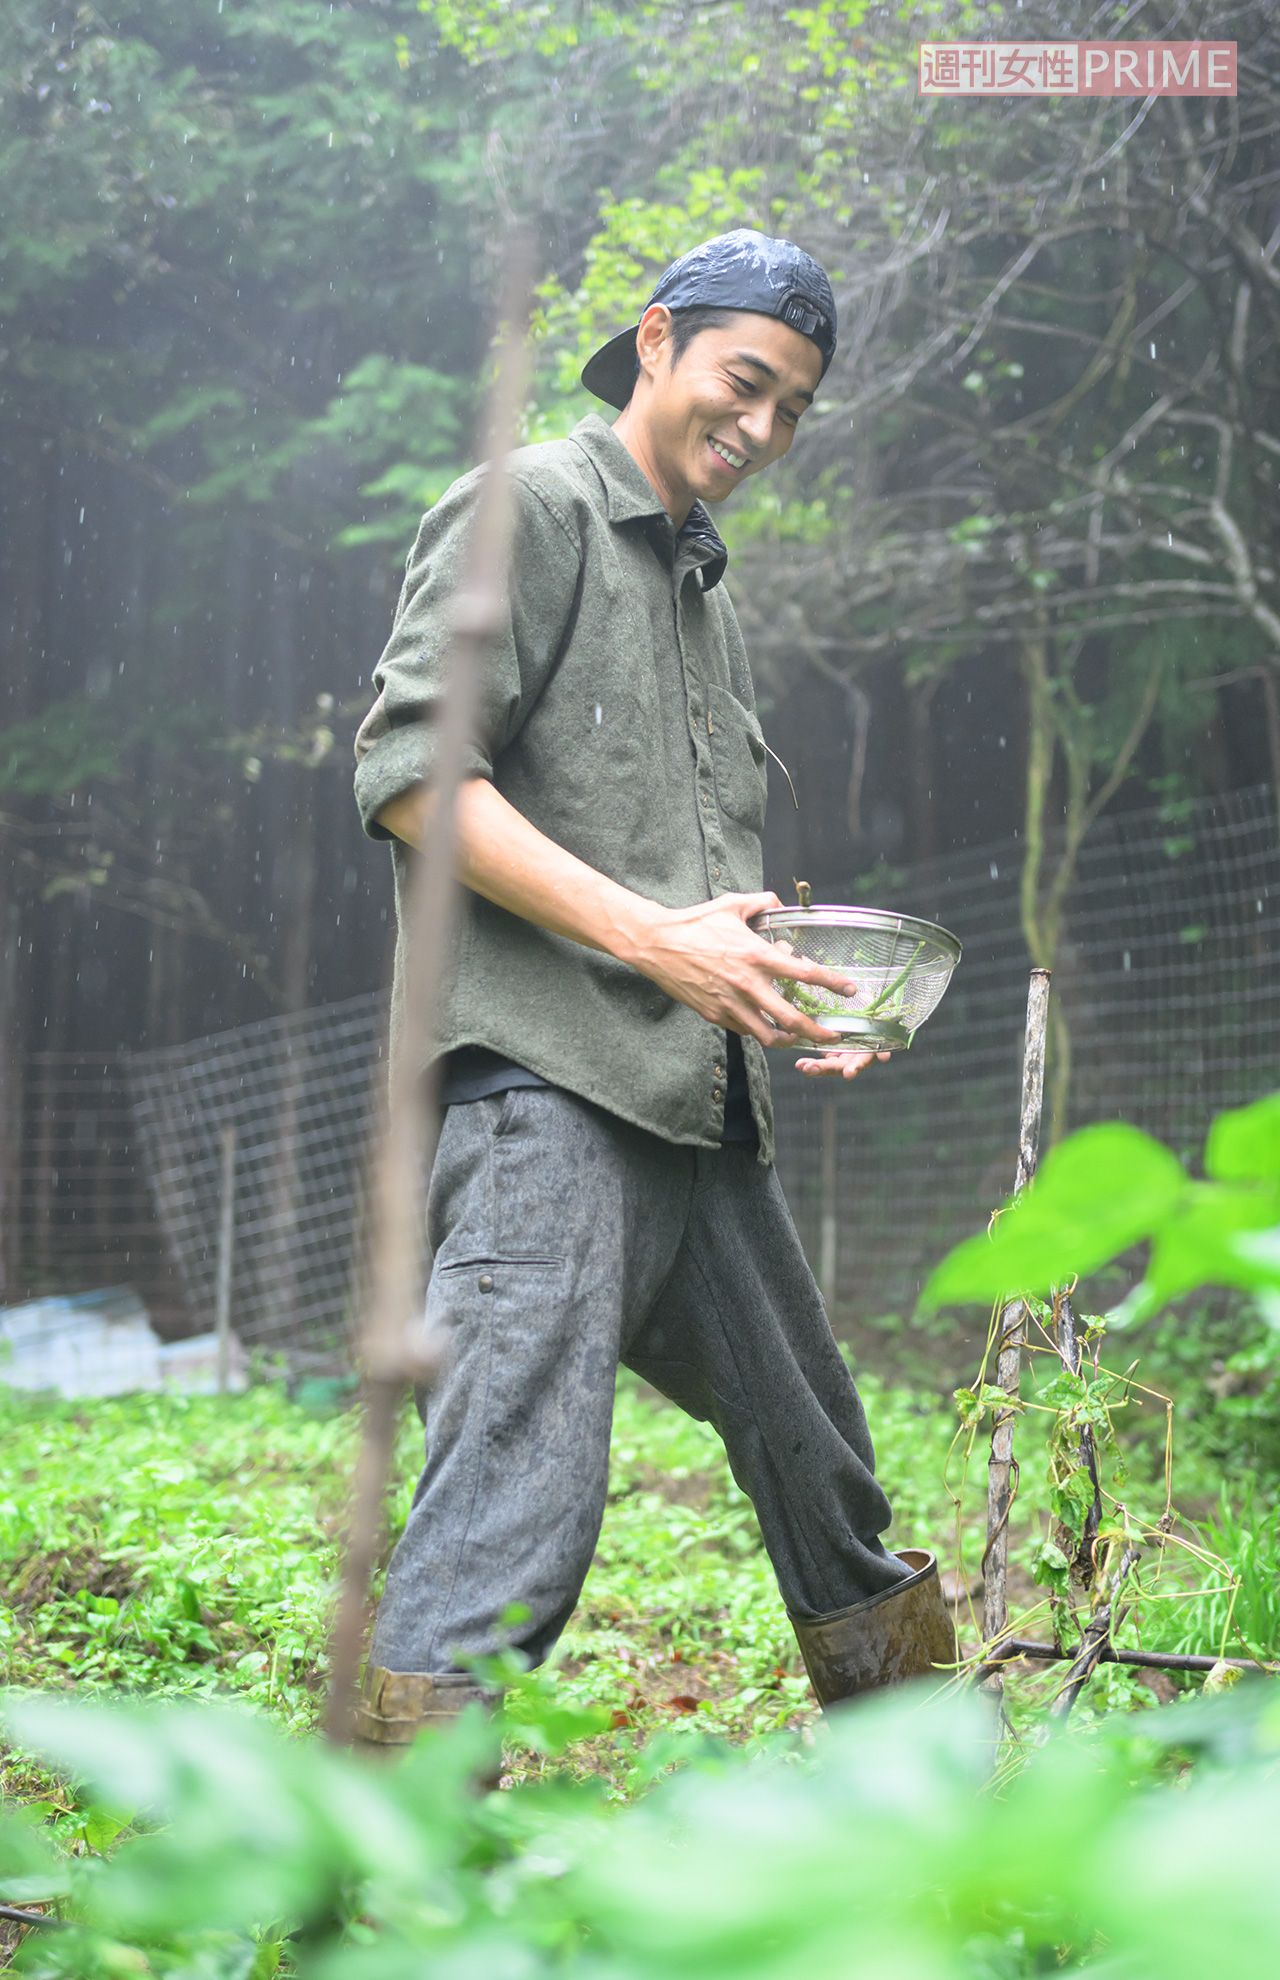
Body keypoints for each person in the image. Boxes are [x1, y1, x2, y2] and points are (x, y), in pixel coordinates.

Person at [350, 230, 955, 1746]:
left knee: (827, 1480)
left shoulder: (700, 586)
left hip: (698, 1119)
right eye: (744, 382)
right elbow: (416, 778)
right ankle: (381, 1856)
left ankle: (940, 1800)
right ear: (657, 339)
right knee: (512, 1510)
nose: (761, 428)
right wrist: (654, 940)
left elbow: (685, 885)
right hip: (547, 1098)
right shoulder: (530, 507)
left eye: (793, 408)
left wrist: (806, 991)